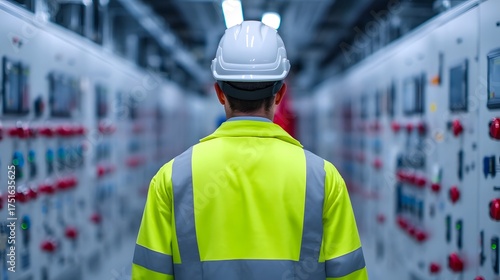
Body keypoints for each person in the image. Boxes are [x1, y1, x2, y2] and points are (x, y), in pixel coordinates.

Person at [131, 20, 368, 280]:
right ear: (279, 94)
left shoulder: (172, 178)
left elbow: (149, 274)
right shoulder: (323, 179)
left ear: (220, 93)